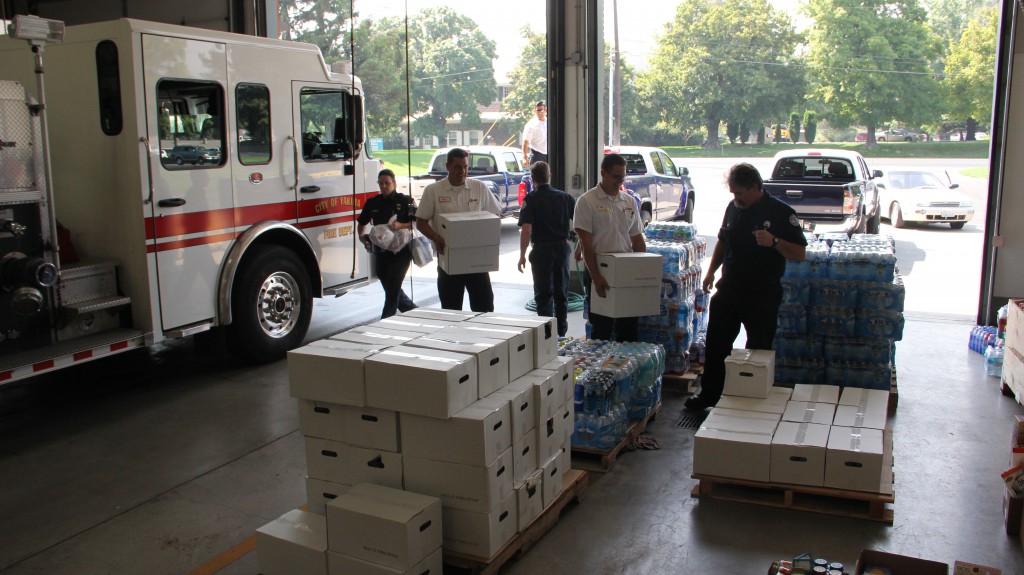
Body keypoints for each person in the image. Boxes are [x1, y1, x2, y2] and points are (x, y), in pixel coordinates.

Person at [685, 162, 808, 411]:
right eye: (733, 193)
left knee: (758, 351)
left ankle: (751, 400)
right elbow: (723, 241)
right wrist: (711, 272)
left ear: (755, 188)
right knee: (717, 344)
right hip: (730, 288)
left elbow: (799, 253)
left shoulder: (781, 213)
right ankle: (709, 395)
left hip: (763, 293)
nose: (735, 198)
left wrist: (774, 242)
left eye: (739, 193)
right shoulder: (733, 208)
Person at [416, 148, 502, 312]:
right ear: (447, 166)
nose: (462, 171)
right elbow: (421, 222)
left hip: (477, 261)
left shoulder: (479, 188)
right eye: (457, 167)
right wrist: (435, 237)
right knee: (451, 311)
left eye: (465, 167)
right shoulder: (433, 191)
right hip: (449, 261)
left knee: (484, 309)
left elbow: (495, 215)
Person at [573, 153, 646, 342]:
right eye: (616, 177)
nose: (620, 181)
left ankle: (627, 367)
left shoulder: (628, 201)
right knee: (602, 328)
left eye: (623, 177)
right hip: (600, 269)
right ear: (603, 173)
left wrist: (642, 270)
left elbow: (637, 237)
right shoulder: (587, 201)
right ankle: (601, 370)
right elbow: (586, 244)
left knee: (628, 327)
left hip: (625, 270)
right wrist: (596, 277)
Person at [517, 161, 576, 337]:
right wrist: (579, 245)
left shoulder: (531, 200)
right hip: (561, 249)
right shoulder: (565, 198)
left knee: (543, 294)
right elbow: (581, 223)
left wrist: (521, 255)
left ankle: (546, 335)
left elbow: (526, 230)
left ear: (532, 178)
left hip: (541, 252)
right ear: (549, 176)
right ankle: (562, 332)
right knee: (561, 292)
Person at [357, 169, 418, 318]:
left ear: (394, 183)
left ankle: (385, 320)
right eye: (381, 183)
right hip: (381, 251)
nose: (384, 186)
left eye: (387, 183)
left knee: (392, 290)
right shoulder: (372, 202)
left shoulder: (406, 200)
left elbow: (417, 222)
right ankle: (415, 312)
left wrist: (401, 225)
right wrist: (362, 238)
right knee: (391, 287)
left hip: (401, 252)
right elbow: (362, 223)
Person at [522, 101, 548, 166]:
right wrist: (524, 157)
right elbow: (525, 141)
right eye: (537, 111)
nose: (539, 112)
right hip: (537, 154)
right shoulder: (531, 124)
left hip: (548, 154)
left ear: (545, 110)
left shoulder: (549, 122)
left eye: (541, 110)